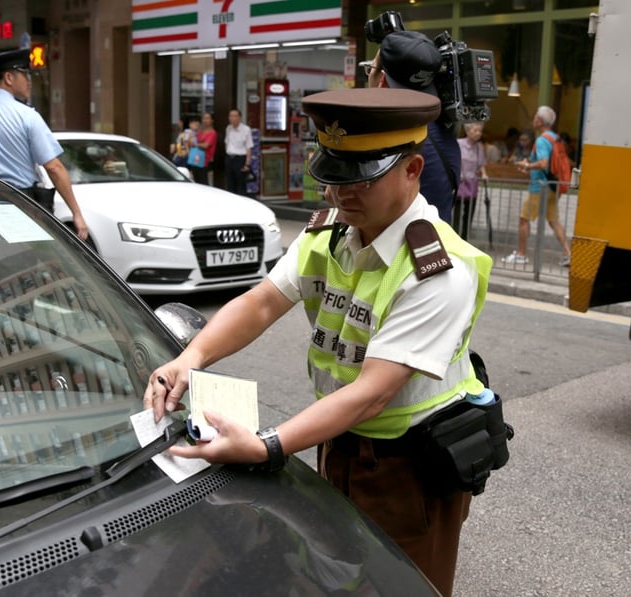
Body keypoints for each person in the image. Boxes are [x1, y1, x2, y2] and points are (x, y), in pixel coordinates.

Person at [144, 87, 492, 597]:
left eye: (361, 181)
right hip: (338, 437)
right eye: (333, 177)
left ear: (413, 169)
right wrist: (189, 357)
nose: (340, 195)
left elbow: (373, 393)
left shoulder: (438, 271)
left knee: (402, 583)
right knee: (334, 571)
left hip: (407, 464)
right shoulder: (332, 232)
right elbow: (262, 302)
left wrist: (266, 447)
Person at [0, 48, 88, 239]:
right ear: (9, 78)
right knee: (29, 262)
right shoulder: (27, 116)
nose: (29, 81)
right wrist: (77, 214)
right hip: (20, 206)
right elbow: (54, 168)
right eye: (25, 74)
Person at [351, 30, 461, 225]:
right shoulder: (445, 135)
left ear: (382, 80)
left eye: (371, 69)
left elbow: (347, 200)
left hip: (394, 252)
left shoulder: (385, 141)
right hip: (434, 247)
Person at [504, 106, 571, 266]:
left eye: (535, 117)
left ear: (540, 121)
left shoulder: (542, 140)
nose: (533, 119)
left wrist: (527, 166)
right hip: (552, 188)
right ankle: (569, 254)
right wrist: (529, 167)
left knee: (523, 220)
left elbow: (543, 163)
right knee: (554, 221)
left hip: (538, 188)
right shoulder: (554, 138)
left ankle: (521, 254)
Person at [454, 122, 489, 240]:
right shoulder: (459, 144)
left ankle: (464, 238)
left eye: (480, 131)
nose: (478, 133)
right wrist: (458, 173)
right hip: (461, 183)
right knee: (457, 214)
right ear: (468, 131)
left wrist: (484, 174)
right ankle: (455, 237)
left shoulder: (479, 147)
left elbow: (481, 164)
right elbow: (454, 160)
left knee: (469, 214)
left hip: (472, 183)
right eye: (475, 130)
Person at [223, 108, 253, 195]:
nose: (233, 118)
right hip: (229, 158)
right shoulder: (228, 128)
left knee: (240, 184)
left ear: (240, 118)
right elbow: (227, 142)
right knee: (229, 183)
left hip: (240, 159)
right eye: (231, 116)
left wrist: (247, 164)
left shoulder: (246, 129)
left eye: (235, 116)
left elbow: (248, 148)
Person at [191, 112, 217, 185]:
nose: (205, 120)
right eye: (204, 118)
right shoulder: (200, 132)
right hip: (195, 161)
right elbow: (192, 142)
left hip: (205, 162)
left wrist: (196, 144)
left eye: (207, 118)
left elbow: (205, 145)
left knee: (204, 184)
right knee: (196, 183)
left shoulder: (212, 133)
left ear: (212, 120)